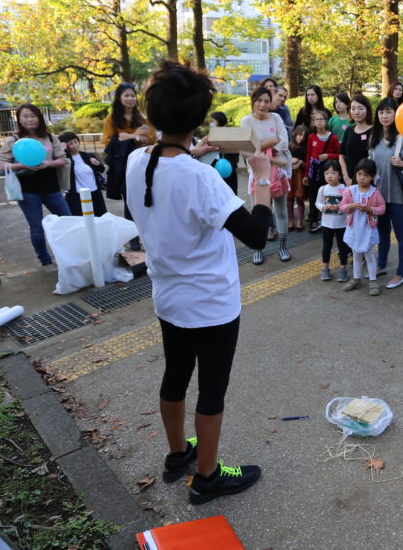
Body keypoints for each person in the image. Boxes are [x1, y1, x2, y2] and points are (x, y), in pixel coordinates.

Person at [125, 61, 272, 506]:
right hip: (210, 303)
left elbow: (168, 171)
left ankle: (177, 456)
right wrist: (262, 179)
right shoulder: (202, 178)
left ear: (153, 114)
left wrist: (193, 149)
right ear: (198, 118)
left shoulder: (137, 161)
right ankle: (207, 475)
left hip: (168, 297)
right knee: (211, 389)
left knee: (175, 375)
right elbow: (255, 233)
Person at [0, 104, 72, 265]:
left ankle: (70, 252)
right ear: (19, 119)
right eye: (25, 116)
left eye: (33, 115)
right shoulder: (13, 140)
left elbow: (62, 160)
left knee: (68, 220)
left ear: (39, 117)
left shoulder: (50, 137)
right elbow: (2, 166)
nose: (30, 119)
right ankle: (44, 259)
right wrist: (23, 165)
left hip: (51, 188)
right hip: (27, 191)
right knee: (37, 228)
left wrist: (47, 163)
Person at [368, 97, 403, 288]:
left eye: (388, 112)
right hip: (379, 197)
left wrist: (402, 163)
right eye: (381, 112)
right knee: (382, 235)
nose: (384, 116)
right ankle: (381, 265)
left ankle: (401, 273)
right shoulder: (374, 138)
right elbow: (370, 163)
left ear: (396, 114)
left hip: (398, 197)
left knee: (401, 236)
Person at [240, 87, 292, 263]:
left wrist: (263, 147)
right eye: (259, 100)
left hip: (279, 172)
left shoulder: (276, 118)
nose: (262, 104)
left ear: (271, 103)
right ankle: (257, 247)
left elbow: (284, 141)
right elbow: (247, 149)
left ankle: (283, 247)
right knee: (259, 211)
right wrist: (271, 142)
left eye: (266, 101)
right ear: (253, 101)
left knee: (281, 211)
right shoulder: (246, 121)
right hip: (257, 173)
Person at [103, 82, 155, 249]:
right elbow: (107, 141)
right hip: (123, 166)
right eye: (126, 95)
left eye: (133, 95)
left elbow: (151, 138)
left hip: (142, 162)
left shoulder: (141, 117)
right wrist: (134, 135)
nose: (130, 98)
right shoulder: (111, 119)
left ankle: (148, 235)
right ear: (119, 98)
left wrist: (132, 137)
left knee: (147, 199)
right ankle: (133, 239)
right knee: (130, 201)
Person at [341, 158, 386, 294]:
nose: (362, 178)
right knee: (356, 255)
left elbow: (382, 208)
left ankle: (373, 281)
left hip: (367, 229)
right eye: (359, 174)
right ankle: (356, 279)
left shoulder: (375, 192)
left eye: (366, 175)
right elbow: (342, 207)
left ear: (372, 177)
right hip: (354, 229)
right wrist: (350, 206)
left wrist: (370, 210)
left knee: (370, 255)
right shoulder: (350, 191)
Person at [304, 110, 340, 232]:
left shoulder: (333, 137)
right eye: (316, 119)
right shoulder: (311, 137)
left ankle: (328, 219)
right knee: (314, 195)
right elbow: (308, 155)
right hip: (314, 171)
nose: (319, 121)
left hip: (328, 170)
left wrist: (328, 156)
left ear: (326, 121)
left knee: (328, 194)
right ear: (313, 123)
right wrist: (306, 174)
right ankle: (313, 219)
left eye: (321, 119)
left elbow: (339, 155)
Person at [315, 159, 350, 282]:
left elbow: (348, 205)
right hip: (326, 224)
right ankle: (325, 268)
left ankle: (343, 269)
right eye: (327, 173)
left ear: (340, 175)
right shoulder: (323, 189)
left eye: (333, 173)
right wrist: (322, 207)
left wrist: (339, 208)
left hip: (341, 224)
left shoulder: (344, 188)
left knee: (342, 247)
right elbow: (317, 202)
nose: (330, 176)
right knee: (326, 246)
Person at [58, 132, 107, 217]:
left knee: (100, 217)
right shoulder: (66, 159)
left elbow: (102, 169)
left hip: (95, 192)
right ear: (65, 146)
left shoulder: (88, 155)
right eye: (70, 144)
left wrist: (98, 164)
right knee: (80, 220)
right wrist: (61, 150)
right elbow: (62, 172)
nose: (75, 145)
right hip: (76, 195)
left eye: (75, 141)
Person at [340, 93, 373, 187]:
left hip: (368, 182)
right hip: (349, 181)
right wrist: (346, 177)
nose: (356, 112)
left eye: (360, 108)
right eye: (353, 108)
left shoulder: (374, 131)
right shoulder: (349, 129)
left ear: (367, 110)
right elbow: (341, 155)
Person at [208, 112, 240, 194]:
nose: (210, 123)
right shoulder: (209, 137)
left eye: (212, 121)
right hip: (214, 175)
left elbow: (235, 157)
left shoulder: (231, 136)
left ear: (219, 122)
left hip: (229, 175)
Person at [287, 124, 309, 231]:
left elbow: (307, 164)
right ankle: (290, 221)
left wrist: (300, 162)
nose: (301, 138)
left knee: (300, 199)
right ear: (295, 134)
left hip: (300, 176)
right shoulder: (289, 146)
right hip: (289, 175)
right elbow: (284, 160)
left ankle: (300, 221)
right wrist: (291, 161)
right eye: (300, 135)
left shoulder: (305, 148)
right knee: (289, 199)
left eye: (304, 136)